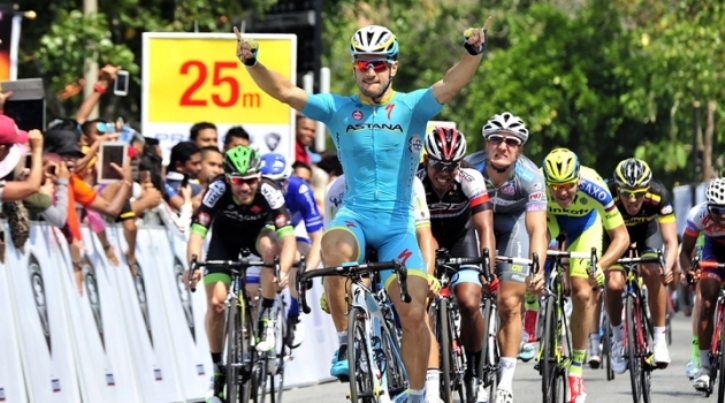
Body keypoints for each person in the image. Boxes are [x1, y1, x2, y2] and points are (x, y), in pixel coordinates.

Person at [235, 19, 490, 400]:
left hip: (398, 227)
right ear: (354, 68)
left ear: (393, 67)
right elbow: (286, 91)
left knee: (415, 313)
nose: (370, 70)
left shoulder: (412, 107)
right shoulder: (338, 109)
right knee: (333, 248)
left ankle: (418, 393)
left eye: (379, 63)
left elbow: (451, 83)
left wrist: (473, 52)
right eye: (362, 64)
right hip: (355, 216)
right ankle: (344, 342)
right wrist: (252, 62)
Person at [185, 145, 297, 403]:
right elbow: (197, 234)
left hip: (259, 235)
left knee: (272, 248)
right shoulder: (216, 190)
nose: (244, 187)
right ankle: (218, 371)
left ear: (258, 178)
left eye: (249, 181)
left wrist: (283, 270)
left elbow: (288, 239)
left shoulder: (269, 190)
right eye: (237, 181)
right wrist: (192, 265)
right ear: (227, 179)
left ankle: (266, 315)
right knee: (215, 305)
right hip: (223, 241)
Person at [465, 112, 547, 402]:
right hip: (477, 225)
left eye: (511, 141)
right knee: (466, 294)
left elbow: (537, 229)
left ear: (520, 149)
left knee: (510, 303)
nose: (503, 146)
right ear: (486, 144)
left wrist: (537, 269)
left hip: (515, 227)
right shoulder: (468, 167)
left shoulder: (531, 177)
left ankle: (505, 382)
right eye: (496, 139)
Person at [418, 127, 500, 402]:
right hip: (424, 240)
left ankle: (475, 370)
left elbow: (485, 227)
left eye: (451, 166)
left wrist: (488, 267)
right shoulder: (413, 180)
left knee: (468, 301)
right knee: (421, 305)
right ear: (427, 159)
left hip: (461, 241)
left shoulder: (470, 179)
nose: (444, 172)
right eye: (438, 165)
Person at [541, 148, 629, 403]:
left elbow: (621, 237)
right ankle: (534, 310)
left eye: (568, 185)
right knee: (534, 260)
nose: (563, 192)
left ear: (578, 179)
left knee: (582, 292)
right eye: (556, 187)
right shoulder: (538, 185)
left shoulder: (596, 187)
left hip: (585, 226)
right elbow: (533, 231)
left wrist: (601, 266)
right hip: (550, 220)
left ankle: (576, 372)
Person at [601, 158, 674, 372]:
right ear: (617, 189)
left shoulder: (659, 194)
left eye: (639, 193)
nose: (632, 199)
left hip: (646, 236)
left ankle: (659, 340)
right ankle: (617, 339)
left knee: (652, 270)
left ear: (648, 189)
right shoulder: (607, 194)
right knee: (614, 284)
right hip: (615, 238)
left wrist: (667, 267)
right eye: (626, 193)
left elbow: (670, 241)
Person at [680, 177, 725, 391]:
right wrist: (690, 270)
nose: (723, 215)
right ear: (709, 207)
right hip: (713, 252)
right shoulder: (698, 215)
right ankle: (704, 367)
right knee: (707, 303)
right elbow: (685, 253)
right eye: (717, 210)